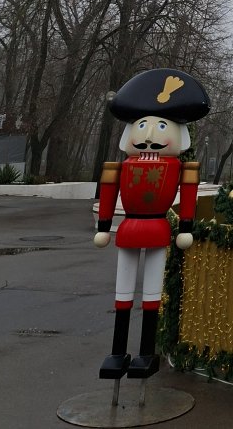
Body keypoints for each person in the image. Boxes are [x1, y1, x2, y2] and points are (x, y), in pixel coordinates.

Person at [94, 68, 210, 380]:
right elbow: (108, 192)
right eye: (143, 125)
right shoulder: (121, 166)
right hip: (130, 228)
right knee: (123, 289)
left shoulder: (180, 168)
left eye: (160, 126)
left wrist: (185, 227)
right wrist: (104, 226)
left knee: (151, 293)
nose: (149, 135)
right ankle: (118, 351)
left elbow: (187, 195)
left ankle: (146, 351)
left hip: (158, 228)